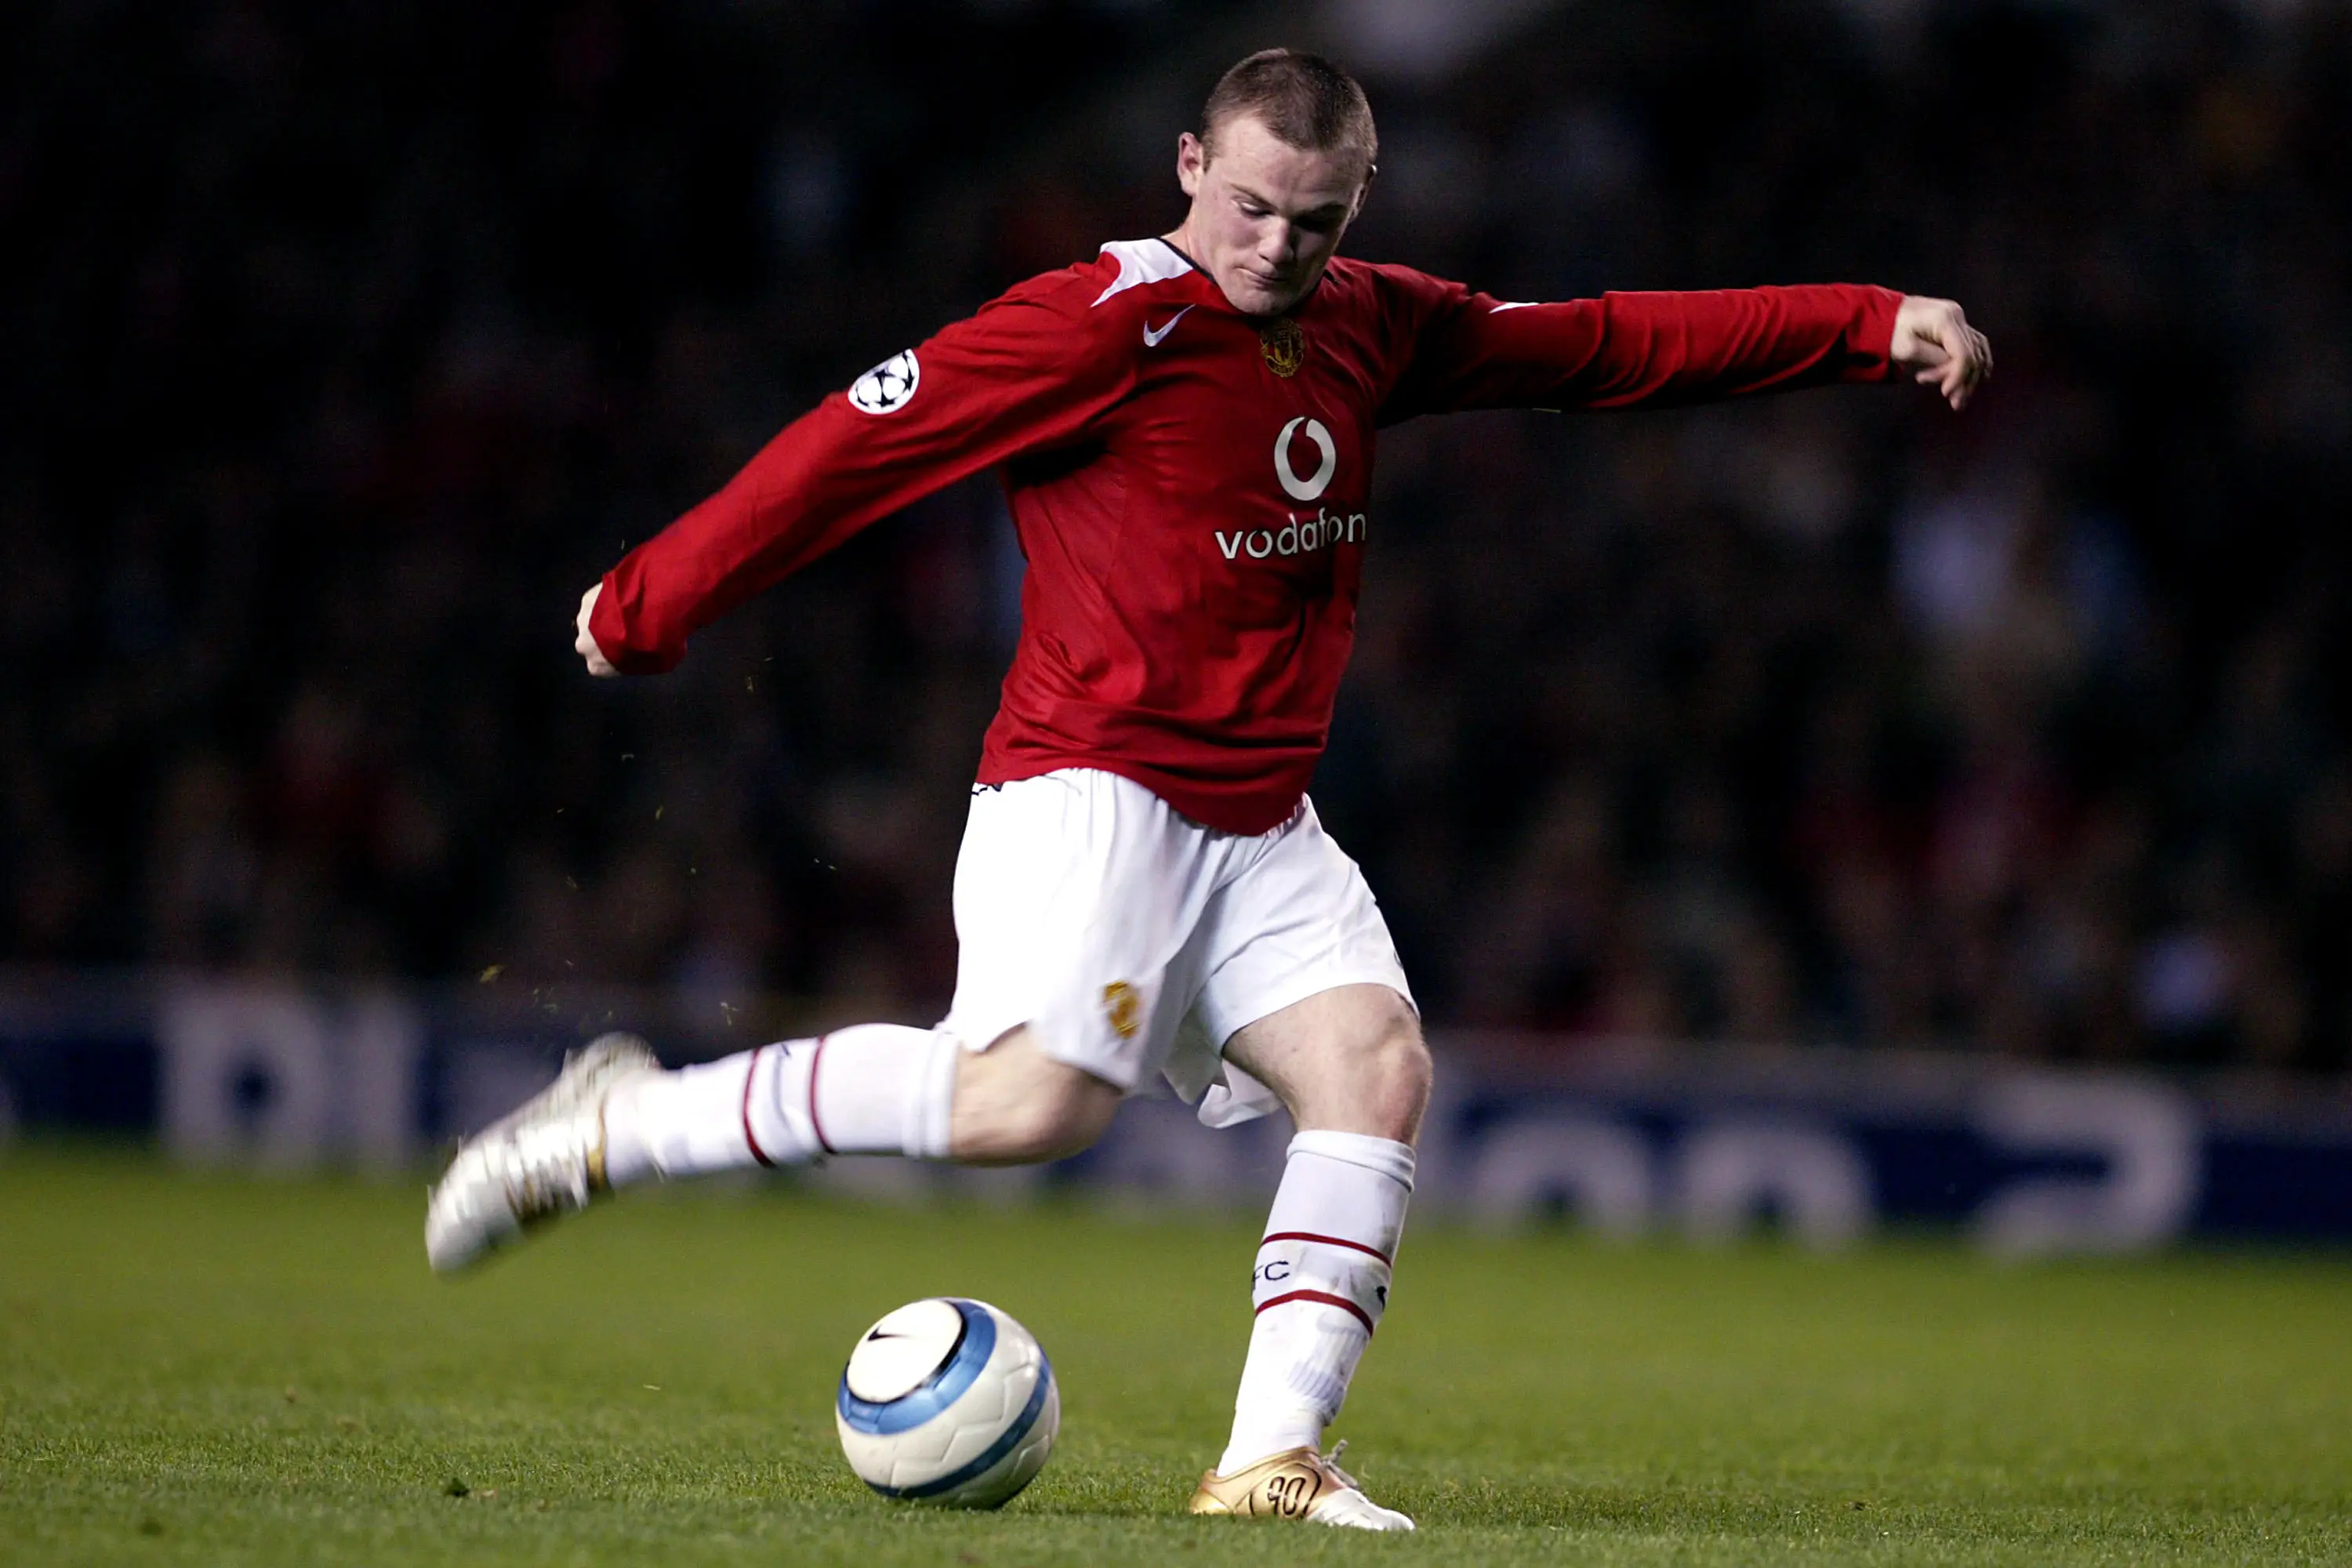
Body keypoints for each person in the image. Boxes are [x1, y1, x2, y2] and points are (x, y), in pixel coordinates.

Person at [425, 48, 1990, 1530]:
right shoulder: (1101, 321)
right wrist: (653, 596)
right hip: (1092, 790)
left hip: (1258, 821)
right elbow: (854, 443)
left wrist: (1869, 321)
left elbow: (1601, 346)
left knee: (1375, 1066)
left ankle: (1272, 1460)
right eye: (1247, 205)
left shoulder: (1375, 322)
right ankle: (622, 1125)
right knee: (1027, 1106)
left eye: (1315, 219)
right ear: (1189, 164)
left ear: (1357, 202)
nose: (1275, 246)